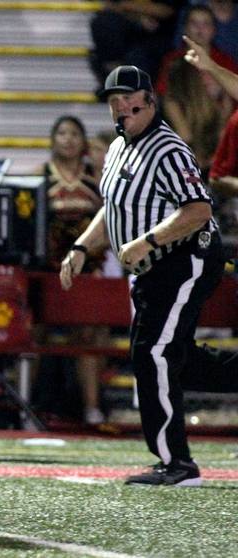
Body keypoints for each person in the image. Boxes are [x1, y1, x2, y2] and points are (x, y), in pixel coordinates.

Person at [61, 65, 238, 486]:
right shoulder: (121, 147)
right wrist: (83, 246)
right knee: (174, 357)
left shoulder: (168, 149)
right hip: (151, 267)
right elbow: (115, 207)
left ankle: (177, 464)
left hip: (183, 260)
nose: (120, 107)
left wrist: (148, 242)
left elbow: (198, 210)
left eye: (128, 98)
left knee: (153, 354)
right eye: (113, 100)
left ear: (150, 100)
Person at [39, 115, 109, 425]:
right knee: (36, 334)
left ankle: (92, 407)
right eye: (62, 133)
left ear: (83, 142)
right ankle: (34, 405)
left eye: (74, 134)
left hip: (87, 271)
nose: (68, 139)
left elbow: (110, 224)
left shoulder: (97, 180)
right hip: (48, 271)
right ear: (52, 140)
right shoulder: (40, 178)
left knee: (92, 335)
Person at [156, 5, 236, 169]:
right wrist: (186, 141)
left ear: (214, 30)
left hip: (218, 135)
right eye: (195, 23)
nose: (200, 30)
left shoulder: (225, 62)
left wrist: (221, 141)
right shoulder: (173, 62)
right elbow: (168, 100)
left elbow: (230, 102)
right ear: (185, 28)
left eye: (206, 24)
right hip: (184, 136)